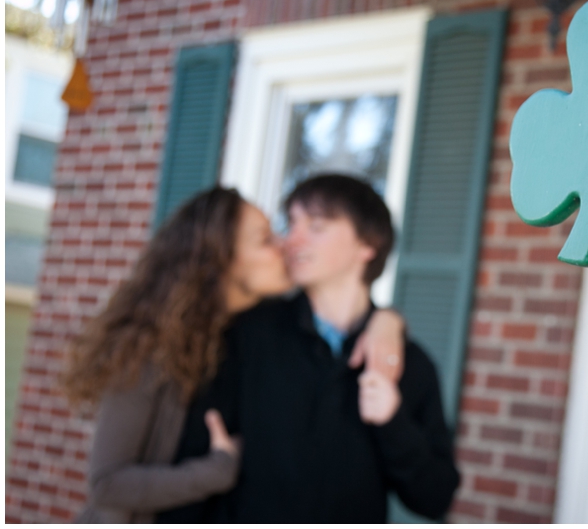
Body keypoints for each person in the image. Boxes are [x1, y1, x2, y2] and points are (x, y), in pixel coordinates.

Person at [60, 186, 406, 523]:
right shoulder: (152, 347)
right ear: (220, 258)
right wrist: (216, 471)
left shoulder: (250, 333)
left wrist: (386, 322)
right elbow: (107, 484)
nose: (285, 244)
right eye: (265, 240)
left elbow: (341, 311)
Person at [160, 174, 460, 523]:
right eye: (292, 224)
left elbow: (435, 497)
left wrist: (392, 422)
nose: (291, 240)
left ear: (368, 245)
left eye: (316, 226)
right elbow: (193, 465)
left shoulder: (410, 364)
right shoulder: (247, 334)